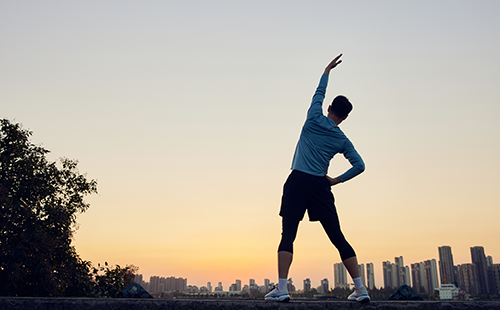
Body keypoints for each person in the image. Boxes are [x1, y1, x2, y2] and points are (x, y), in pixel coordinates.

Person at [264, 54, 370, 303]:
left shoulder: (313, 117)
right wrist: (336, 180)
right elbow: (360, 166)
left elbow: (318, 94)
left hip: (298, 181)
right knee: (337, 236)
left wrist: (327, 71)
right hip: (320, 185)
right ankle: (360, 288)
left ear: (330, 109)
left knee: (288, 234)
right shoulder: (342, 139)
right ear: (344, 117)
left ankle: (281, 288)